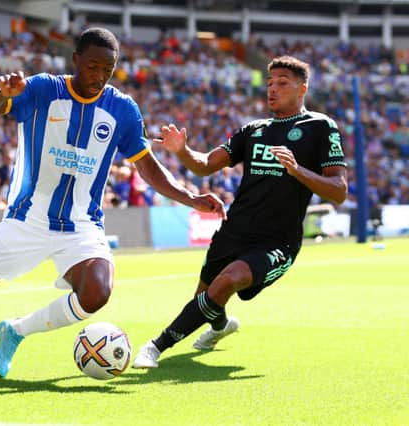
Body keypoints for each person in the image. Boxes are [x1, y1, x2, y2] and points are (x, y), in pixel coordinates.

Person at [0, 27, 226, 377]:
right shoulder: (41, 89)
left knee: (97, 291)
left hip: (81, 225)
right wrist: (2, 95)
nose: (99, 76)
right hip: (27, 220)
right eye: (92, 66)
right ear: (75, 60)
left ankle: (16, 332)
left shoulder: (123, 110)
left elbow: (147, 168)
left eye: (108, 70)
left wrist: (191, 197)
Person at [132, 56, 348, 369]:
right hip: (234, 231)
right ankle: (221, 327)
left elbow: (339, 190)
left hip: (277, 241)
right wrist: (181, 150)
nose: (272, 89)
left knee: (228, 281)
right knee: (206, 299)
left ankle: (155, 346)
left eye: (282, 83)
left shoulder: (321, 127)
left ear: (303, 89)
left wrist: (297, 169)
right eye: (270, 83)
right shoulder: (253, 130)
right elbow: (204, 165)